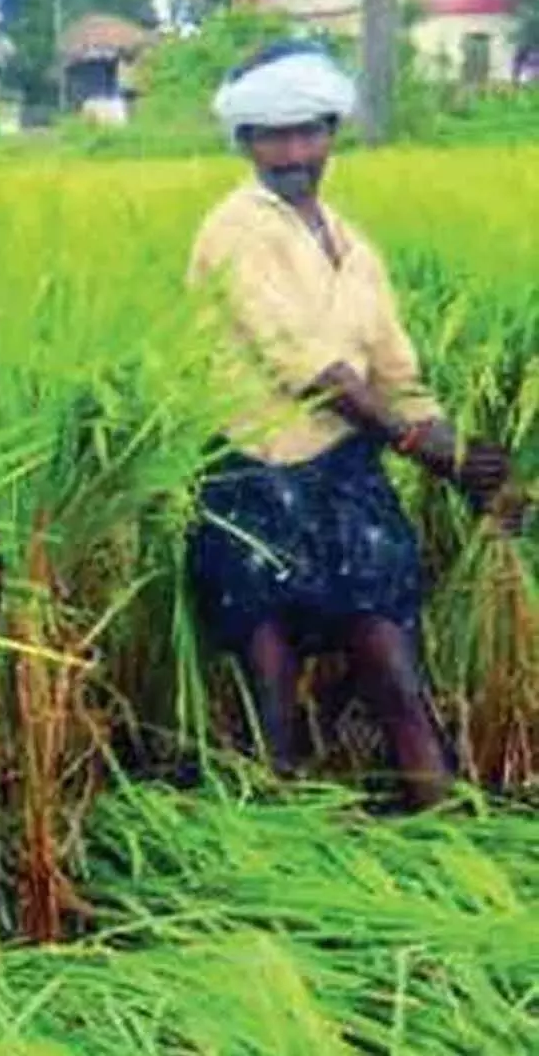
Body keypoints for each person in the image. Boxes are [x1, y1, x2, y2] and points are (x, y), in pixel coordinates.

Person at [187, 42, 520, 809]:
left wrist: (467, 457)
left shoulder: (353, 247)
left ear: (332, 130)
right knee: (272, 696)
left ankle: (440, 828)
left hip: (344, 477)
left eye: (308, 131)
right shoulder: (236, 230)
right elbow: (308, 367)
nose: (294, 152)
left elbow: (395, 372)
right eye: (273, 135)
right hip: (254, 481)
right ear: (245, 141)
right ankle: (273, 860)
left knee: (393, 668)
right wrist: (418, 445)